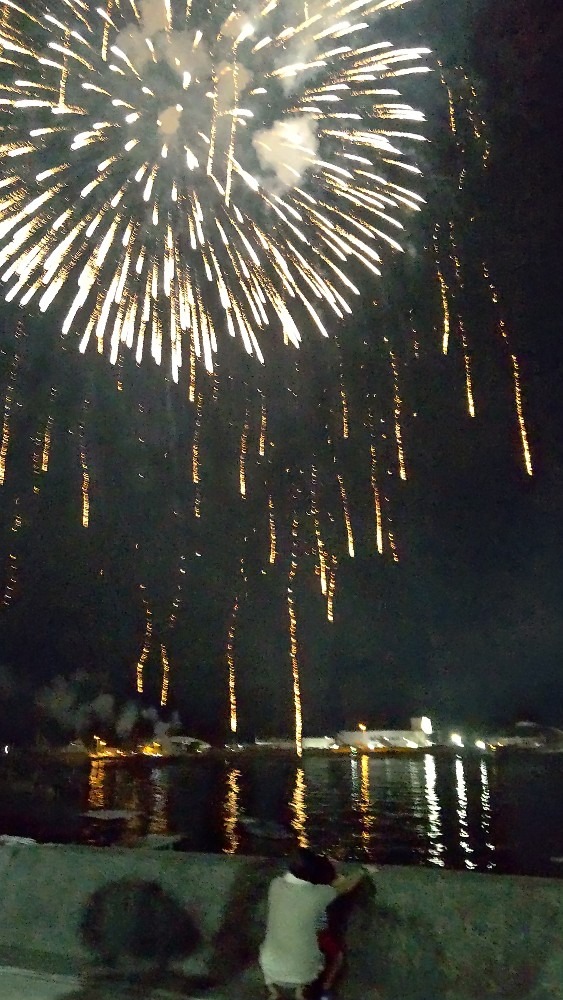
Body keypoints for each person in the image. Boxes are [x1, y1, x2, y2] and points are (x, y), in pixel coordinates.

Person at [259, 848, 365, 1000]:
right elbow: (345, 886)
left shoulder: (275, 885)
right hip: (302, 972)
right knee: (337, 955)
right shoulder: (319, 894)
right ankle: (322, 991)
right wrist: (363, 870)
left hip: (269, 968)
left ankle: (274, 993)